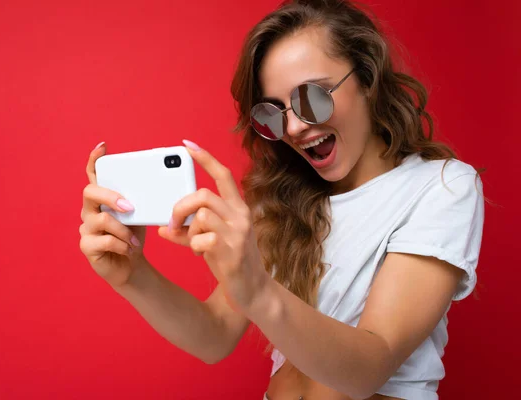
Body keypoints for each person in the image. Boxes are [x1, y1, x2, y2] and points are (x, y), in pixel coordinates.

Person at [79, 0, 485, 398]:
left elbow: (370, 368)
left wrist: (255, 285)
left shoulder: (441, 187)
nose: (292, 126)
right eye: (273, 112)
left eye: (312, 97)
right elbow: (214, 335)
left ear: (366, 78)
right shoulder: (281, 203)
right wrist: (132, 275)